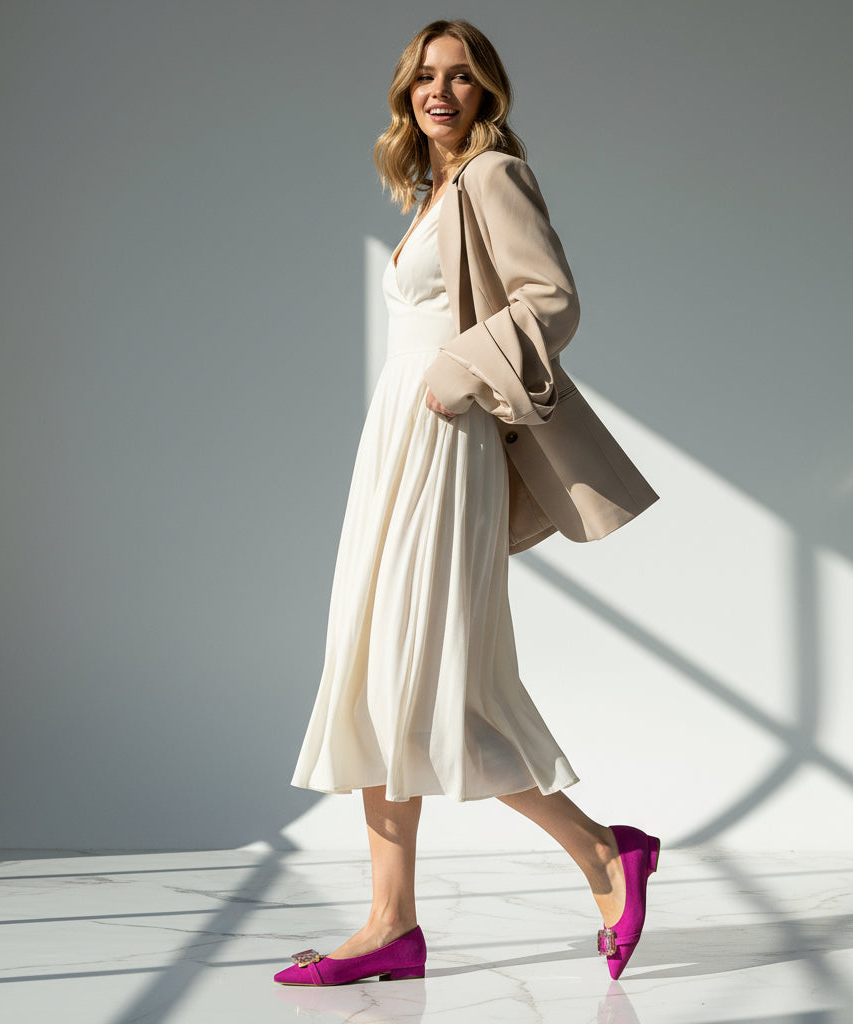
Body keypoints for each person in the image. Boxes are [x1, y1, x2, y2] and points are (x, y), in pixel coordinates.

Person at [276, 20, 660, 988]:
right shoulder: (427, 191)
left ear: (487, 91)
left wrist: (458, 373)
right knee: (373, 670)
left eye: (458, 76)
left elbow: (551, 300)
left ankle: (601, 851)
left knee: (428, 677)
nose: (437, 91)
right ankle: (389, 922)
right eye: (422, 76)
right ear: (405, 91)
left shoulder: (492, 177)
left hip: (447, 440)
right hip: (395, 443)